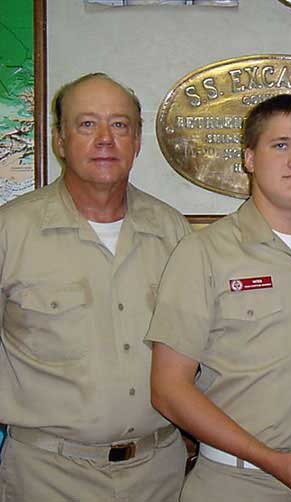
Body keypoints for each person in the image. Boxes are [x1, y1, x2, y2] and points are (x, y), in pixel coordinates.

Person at [146, 94, 291, 501]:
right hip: (235, 483)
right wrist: (269, 458)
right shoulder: (203, 253)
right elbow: (168, 389)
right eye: (280, 145)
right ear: (249, 157)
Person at [0, 73, 191, 501]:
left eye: (120, 125)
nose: (105, 138)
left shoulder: (173, 232)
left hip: (158, 475)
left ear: (137, 140)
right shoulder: (10, 231)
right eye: (87, 124)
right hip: (46, 477)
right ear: (59, 140)